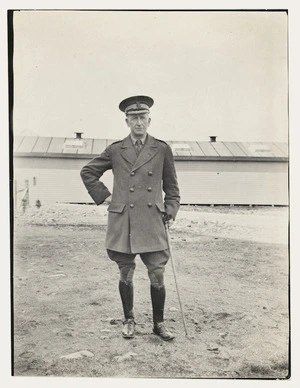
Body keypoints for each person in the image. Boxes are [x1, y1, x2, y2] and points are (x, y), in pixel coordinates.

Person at [80, 95, 180, 341]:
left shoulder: (162, 149)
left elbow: (172, 186)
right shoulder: (116, 150)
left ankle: (159, 324)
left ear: (149, 119)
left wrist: (171, 209)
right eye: (133, 118)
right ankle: (129, 320)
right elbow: (88, 171)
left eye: (142, 117)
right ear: (126, 121)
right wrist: (105, 198)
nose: (138, 122)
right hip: (123, 222)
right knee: (125, 272)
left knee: (157, 273)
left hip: (152, 221)